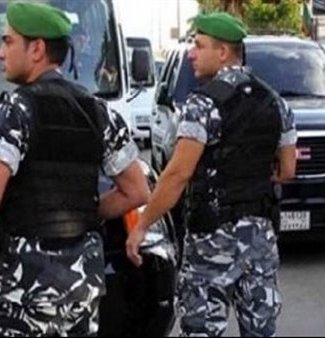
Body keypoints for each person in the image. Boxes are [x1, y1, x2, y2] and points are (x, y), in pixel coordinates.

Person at [0, 2, 148, 336]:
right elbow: (137, 190)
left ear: (36, 49)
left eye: (7, 42)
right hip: (79, 287)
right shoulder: (98, 111)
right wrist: (87, 213)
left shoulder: (14, 110)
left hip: (24, 289)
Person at [125, 12, 297, 337]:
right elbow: (287, 170)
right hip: (260, 238)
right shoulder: (275, 102)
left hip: (211, 242)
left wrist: (142, 226)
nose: (192, 52)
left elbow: (176, 174)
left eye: (199, 45)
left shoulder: (202, 104)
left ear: (222, 52)